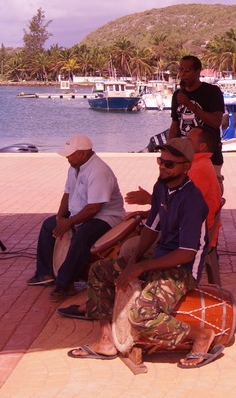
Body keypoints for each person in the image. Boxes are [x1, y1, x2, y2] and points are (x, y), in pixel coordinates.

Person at [67, 138, 222, 368]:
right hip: (159, 259)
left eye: (169, 164)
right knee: (99, 271)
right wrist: (133, 261)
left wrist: (140, 267)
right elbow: (151, 228)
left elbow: (186, 254)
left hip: (182, 270)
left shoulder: (192, 200)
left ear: (186, 167)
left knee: (141, 315)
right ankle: (107, 341)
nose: (162, 167)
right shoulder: (161, 187)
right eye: (160, 161)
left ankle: (200, 336)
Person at [27, 135, 125, 303]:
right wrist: (60, 218)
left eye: (70, 154)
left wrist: (69, 223)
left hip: (106, 217)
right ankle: (44, 273)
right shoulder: (74, 168)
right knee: (48, 225)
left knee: (82, 236)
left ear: (83, 153)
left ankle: (64, 284)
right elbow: (67, 194)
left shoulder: (99, 171)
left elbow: (94, 208)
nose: (67, 157)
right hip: (80, 212)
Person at [169, 55, 225, 191]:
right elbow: (175, 124)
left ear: (197, 72)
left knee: (209, 196)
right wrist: (169, 150)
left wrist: (190, 105)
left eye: (187, 70)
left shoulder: (212, 92)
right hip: (185, 157)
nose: (182, 74)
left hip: (209, 157)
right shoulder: (177, 95)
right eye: (180, 70)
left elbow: (216, 122)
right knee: (184, 196)